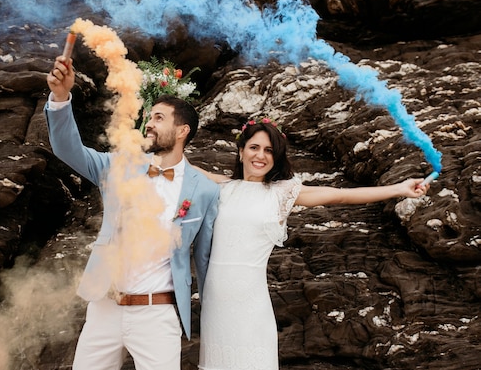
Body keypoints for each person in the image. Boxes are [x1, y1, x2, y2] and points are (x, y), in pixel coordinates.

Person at [195, 117, 430, 370]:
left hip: (250, 305)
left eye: (269, 150)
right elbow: (178, 165)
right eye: (254, 147)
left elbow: (341, 196)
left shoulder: (281, 192)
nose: (260, 155)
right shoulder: (222, 186)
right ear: (241, 151)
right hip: (215, 306)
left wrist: (399, 189)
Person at [44, 54, 220, 370]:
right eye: (149, 117)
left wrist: (211, 321)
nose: (148, 123)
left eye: (159, 118)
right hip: (104, 308)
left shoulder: (205, 191)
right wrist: (60, 97)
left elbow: (204, 261)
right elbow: (67, 149)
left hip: (158, 315)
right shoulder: (118, 167)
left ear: (182, 131)